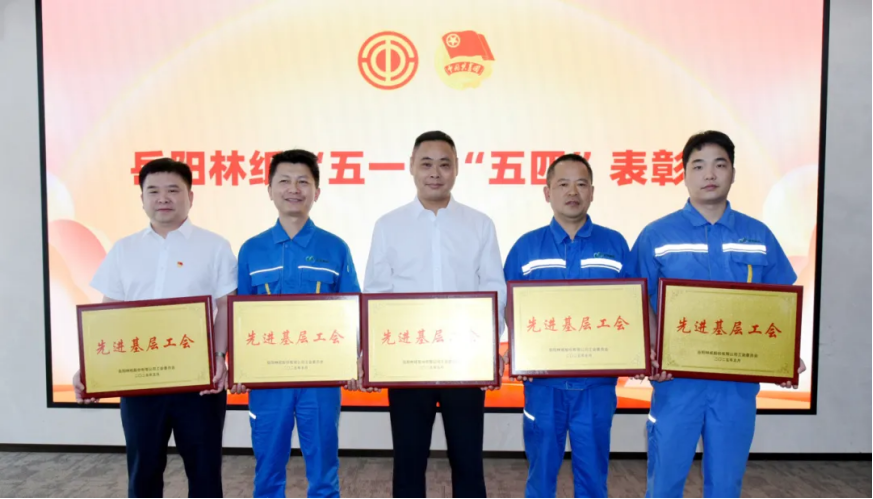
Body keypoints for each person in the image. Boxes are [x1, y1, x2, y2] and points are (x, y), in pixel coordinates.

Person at [631, 131, 807, 498]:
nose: (709, 174)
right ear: (684, 174)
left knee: (726, 485)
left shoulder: (758, 235)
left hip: (735, 385)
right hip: (676, 383)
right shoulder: (657, 235)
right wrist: (652, 352)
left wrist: (784, 355)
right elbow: (638, 297)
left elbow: (779, 302)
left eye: (719, 164)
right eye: (698, 166)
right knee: (664, 483)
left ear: (733, 173)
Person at [74, 158, 237, 498]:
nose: (163, 198)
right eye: (153, 191)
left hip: (198, 381)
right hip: (139, 379)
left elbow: (225, 306)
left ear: (190, 197)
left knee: (205, 471)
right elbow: (108, 313)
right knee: (143, 470)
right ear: (142, 199)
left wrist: (220, 356)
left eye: (173, 190)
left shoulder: (215, 246)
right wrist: (91, 368)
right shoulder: (124, 249)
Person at [364, 131, 507, 498]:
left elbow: (494, 287)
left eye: (444, 164)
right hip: (407, 363)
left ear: (457, 168)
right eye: (426, 163)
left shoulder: (480, 224)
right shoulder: (388, 225)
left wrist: (489, 348)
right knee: (408, 461)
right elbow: (377, 293)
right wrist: (375, 354)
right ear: (411, 166)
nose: (435, 172)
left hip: (466, 362)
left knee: (468, 460)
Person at [232, 149, 361, 499]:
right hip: (268, 379)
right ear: (269, 190)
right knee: (268, 468)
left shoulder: (335, 248)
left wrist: (354, 360)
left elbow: (352, 309)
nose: (294, 189)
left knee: (323, 470)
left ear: (316, 192)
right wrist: (239, 366)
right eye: (284, 181)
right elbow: (240, 316)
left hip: (321, 379)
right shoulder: (251, 250)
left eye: (303, 182)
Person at [503, 154, 632, 498]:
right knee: (541, 474)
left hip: (596, 384)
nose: (572, 192)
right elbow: (509, 306)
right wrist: (518, 350)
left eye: (581, 184)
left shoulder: (615, 244)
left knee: (593, 477)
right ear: (547, 193)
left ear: (592, 192)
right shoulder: (526, 248)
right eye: (563, 184)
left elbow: (631, 306)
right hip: (543, 384)